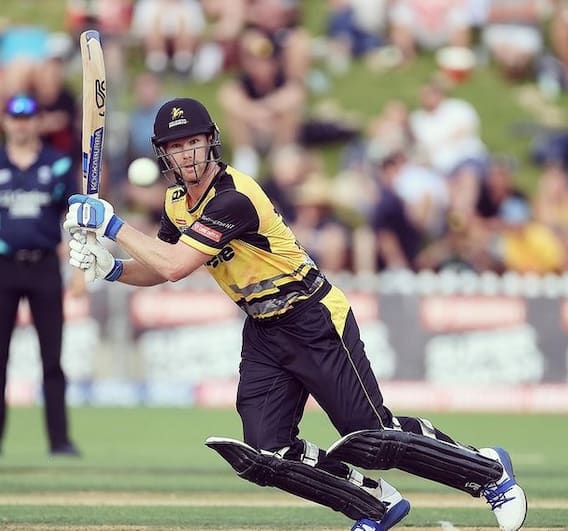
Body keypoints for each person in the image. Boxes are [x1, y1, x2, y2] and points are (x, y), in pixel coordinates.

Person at [63, 97, 527, 531]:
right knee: (267, 454)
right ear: (164, 154)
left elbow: (175, 265)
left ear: (211, 141)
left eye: (193, 142)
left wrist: (111, 225)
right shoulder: (175, 203)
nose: (186, 154)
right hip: (263, 330)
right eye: (176, 146)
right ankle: (372, 504)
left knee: (372, 437)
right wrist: (112, 268)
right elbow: (161, 264)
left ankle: (487, 471)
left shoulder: (233, 198)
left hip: (311, 317)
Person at [0, 93, 82, 457]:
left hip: (45, 265)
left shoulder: (57, 164)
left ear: (37, 122)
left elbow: (77, 218)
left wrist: (79, 271)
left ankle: (59, 441)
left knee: (52, 358)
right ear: (6, 122)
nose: (21, 125)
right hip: (3, 267)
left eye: (27, 118)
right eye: (14, 118)